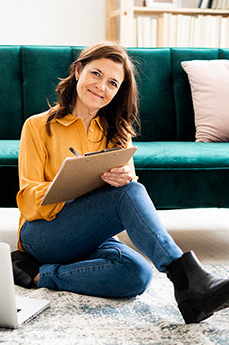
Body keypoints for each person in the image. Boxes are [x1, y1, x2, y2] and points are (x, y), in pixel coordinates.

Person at [11, 42, 229, 324]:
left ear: (118, 92)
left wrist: (119, 181)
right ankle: (189, 280)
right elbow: (28, 200)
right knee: (129, 193)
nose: (101, 87)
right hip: (42, 235)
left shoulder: (118, 134)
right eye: (96, 74)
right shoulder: (38, 126)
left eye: (112, 83)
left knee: (138, 273)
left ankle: (41, 275)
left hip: (91, 237)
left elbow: (129, 198)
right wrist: (75, 186)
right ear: (79, 71)